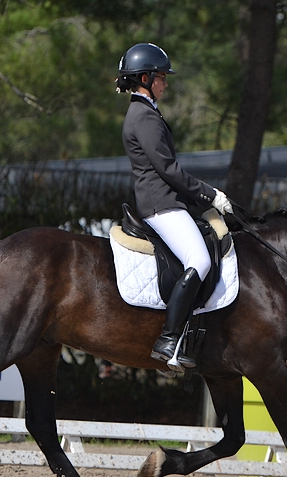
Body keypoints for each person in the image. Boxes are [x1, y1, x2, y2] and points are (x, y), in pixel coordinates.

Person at [117, 42, 233, 368]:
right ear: (145, 78)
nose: (165, 83)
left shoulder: (145, 112)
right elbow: (168, 169)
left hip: (165, 201)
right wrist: (209, 194)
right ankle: (169, 340)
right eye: (161, 77)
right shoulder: (143, 116)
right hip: (161, 204)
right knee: (200, 260)